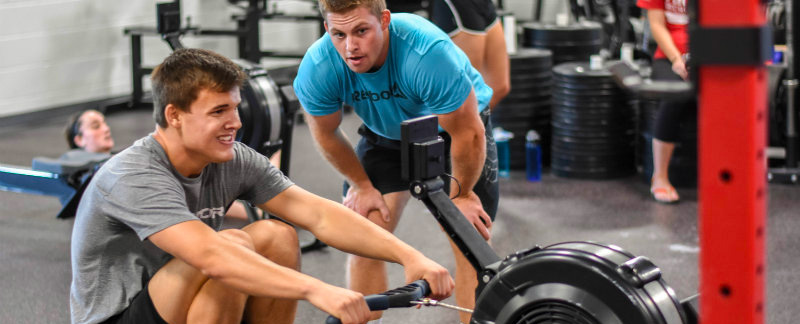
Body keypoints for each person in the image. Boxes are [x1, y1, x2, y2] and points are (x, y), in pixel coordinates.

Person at [69, 48, 454, 324]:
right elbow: (212, 257)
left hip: (180, 298)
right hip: (118, 316)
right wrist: (317, 290)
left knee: (276, 235)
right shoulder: (133, 175)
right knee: (230, 250)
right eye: (218, 111)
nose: (235, 122)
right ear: (175, 115)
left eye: (235, 108)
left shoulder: (232, 158)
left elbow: (318, 215)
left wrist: (410, 257)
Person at [293, 1, 499, 322]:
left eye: (361, 30)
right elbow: (326, 132)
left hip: (452, 132)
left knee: (468, 240)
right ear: (326, 30)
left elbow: (468, 133)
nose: (351, 46)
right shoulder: (319, 66)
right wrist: (361, 185)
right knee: (364, 233)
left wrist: (464, 194)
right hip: (385, 135)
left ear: (384, 20)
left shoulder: (427, 53)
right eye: (339, 33)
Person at [64, 109, 259, 221]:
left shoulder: (130, 156)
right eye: (96, 126)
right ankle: (257, 211)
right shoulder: (111, 175)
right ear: (79, 139)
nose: (106, 129)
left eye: (105, 123)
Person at [638, 0, 695, 203]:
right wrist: (677, 60)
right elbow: (657, 25)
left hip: (706, 56)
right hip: (669, 57)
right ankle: (660, 177)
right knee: (674, 96)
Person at [431, 0, 510, 110]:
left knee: (499, 87)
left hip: (484, 4)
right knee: (465, 94)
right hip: (460, 5)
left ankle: (467, 125)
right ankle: (460, 125)